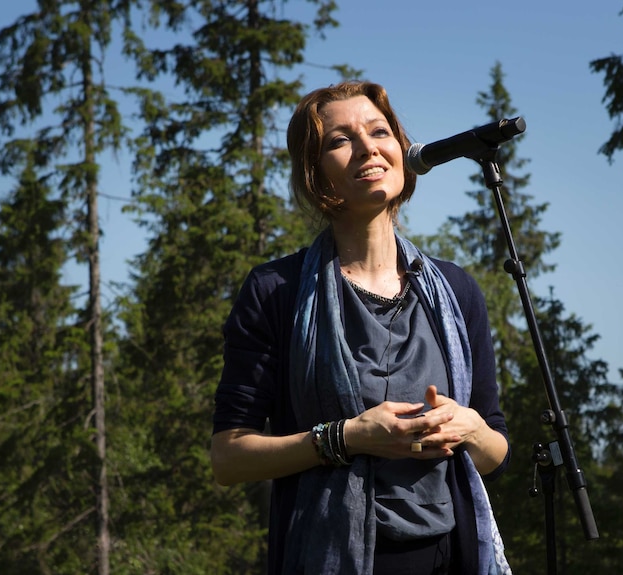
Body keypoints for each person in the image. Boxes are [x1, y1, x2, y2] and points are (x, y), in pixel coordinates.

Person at [211, 80, 512, 575]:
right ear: (316, 175)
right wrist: (346, 438)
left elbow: (494, 453)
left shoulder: (456, 291)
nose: (368, 146)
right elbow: (228, 458)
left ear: (400, 150)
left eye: (379, 131)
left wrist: (469, 426)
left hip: (449, 555)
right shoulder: (276, 291)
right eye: (340, 139)